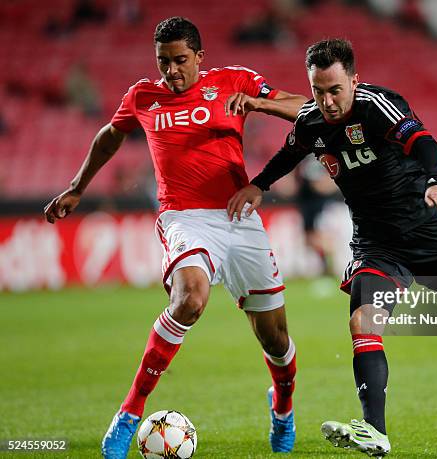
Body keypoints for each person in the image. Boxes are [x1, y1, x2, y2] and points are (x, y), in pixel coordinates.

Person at [43, 16, 307, 459]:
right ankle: (128, 413)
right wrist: (78, 186)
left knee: (275, 338)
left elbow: (305, 107)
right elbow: (110, 136)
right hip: (183, 217)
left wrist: (261, 105)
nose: (172, 70)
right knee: (189, 300)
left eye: (181, 60)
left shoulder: (234, 81)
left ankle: (282, 408)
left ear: (200, 57)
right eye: (164, 61)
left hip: (238, 216)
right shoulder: (142, 96)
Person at [227, 38, 437, 456]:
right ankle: (376, 432)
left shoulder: (377, 105)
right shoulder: (312, 121)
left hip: (429, 234)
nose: (328, 100)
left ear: (354, 79)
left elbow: (424, 142)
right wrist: (258, 184)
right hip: (376, 245)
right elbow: (290, 152)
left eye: (335, 89)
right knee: (362, 323)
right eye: (318, 90)